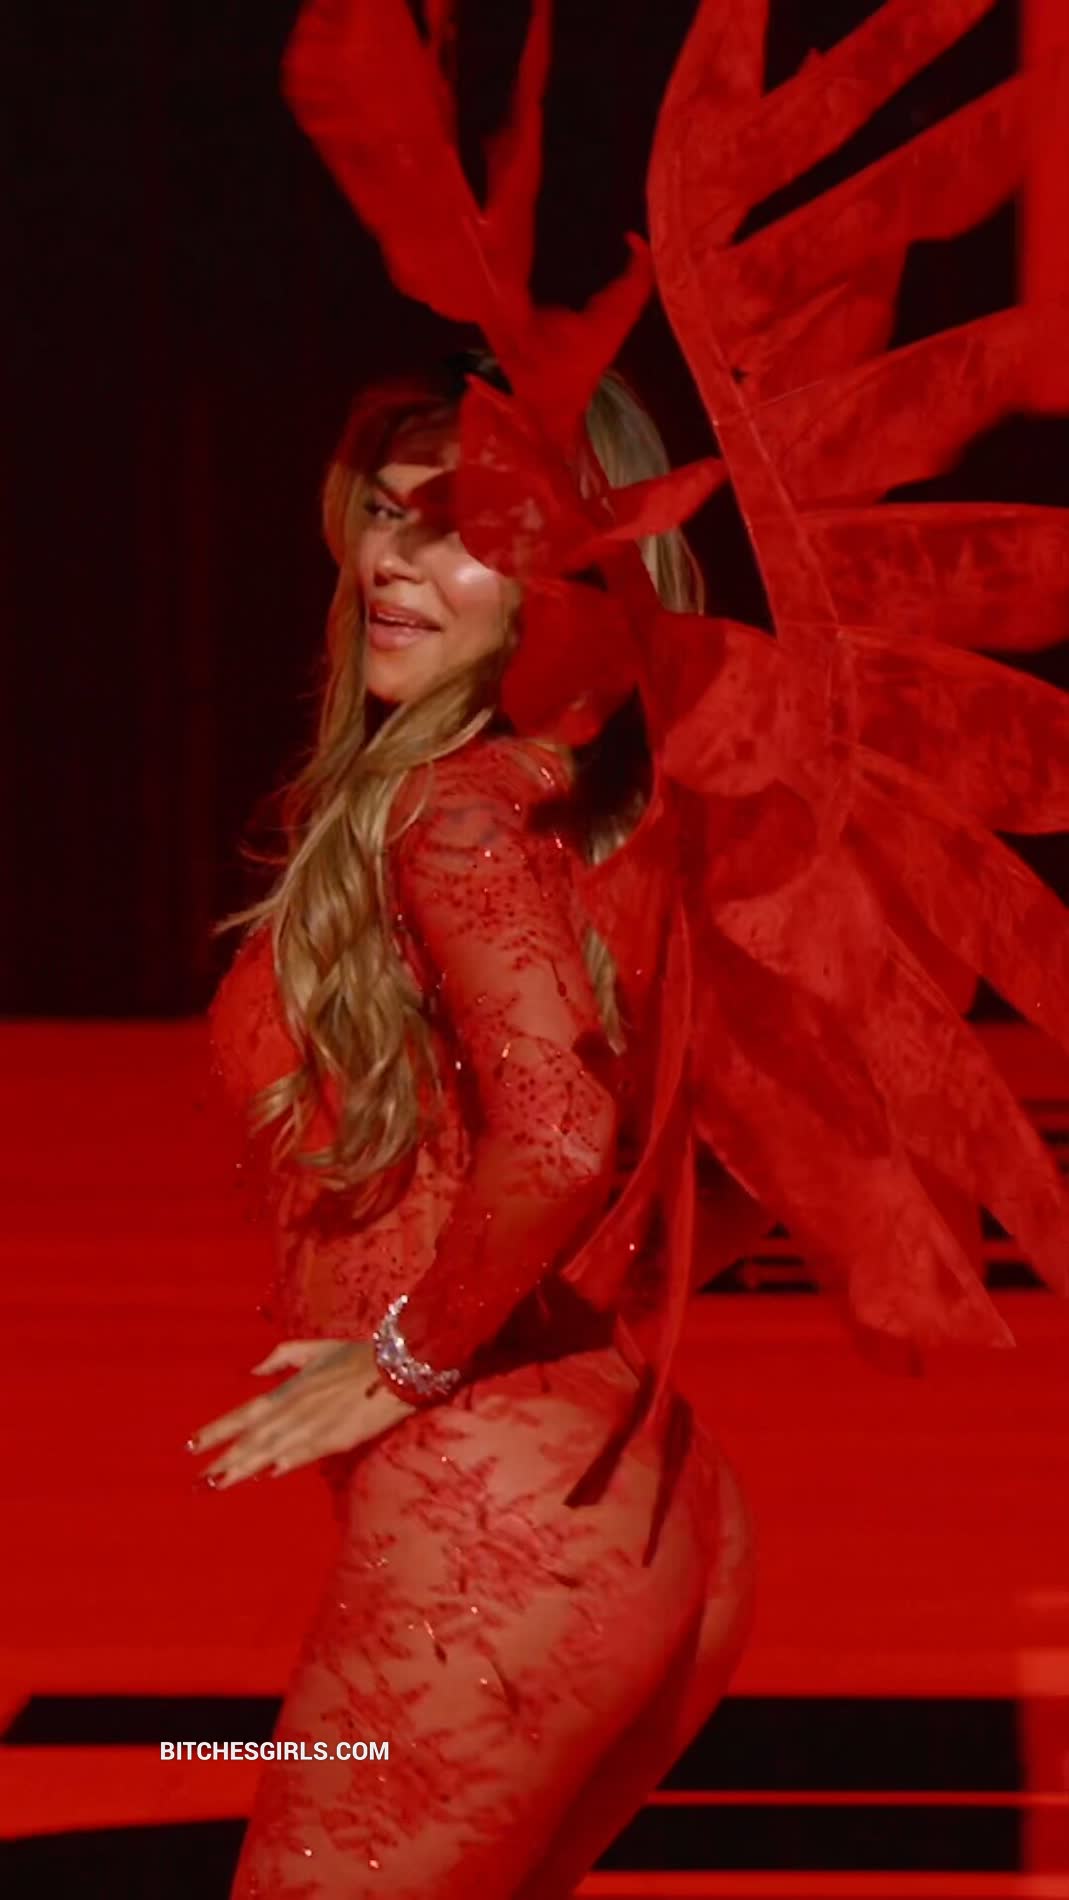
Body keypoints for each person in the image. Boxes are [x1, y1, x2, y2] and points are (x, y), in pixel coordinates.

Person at [196, 359, 759, 1899]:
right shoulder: (598, 815)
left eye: (461, 532)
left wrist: (408, 1356)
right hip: (645, 1508)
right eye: (386, 515)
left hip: (494, 1538)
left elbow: (564, 1138)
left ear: (577, 578)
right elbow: (738, 1174)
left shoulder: (450, 813)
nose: (393, 561)